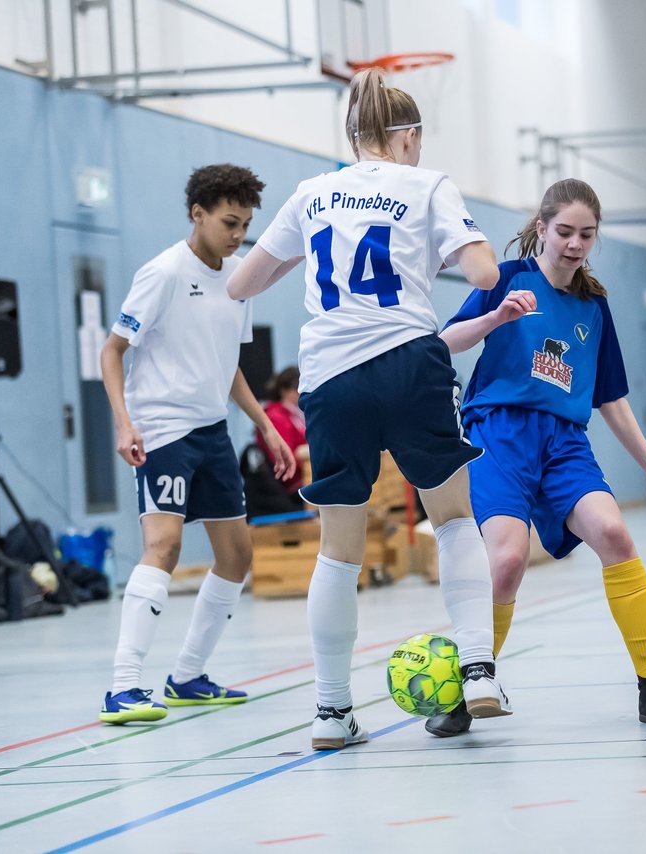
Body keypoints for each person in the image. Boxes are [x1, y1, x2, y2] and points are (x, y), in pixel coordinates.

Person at [227, 70, 511, 751]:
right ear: (408, 136)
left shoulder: (311, 194)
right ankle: (477, 669)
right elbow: (484, 274)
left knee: (339, 550)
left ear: (352, 139)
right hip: (410, 362)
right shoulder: (427, 183)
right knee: (451, 517)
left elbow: (240, 281)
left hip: (330, 378)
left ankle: (330, 712)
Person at [431, 178, 646, 738]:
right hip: (497, 435)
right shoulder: (507, 278)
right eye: (564, 231)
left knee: (614, 535)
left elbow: (610, 395)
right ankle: (470, 687)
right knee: (505, 562)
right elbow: (445, 341)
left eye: (586, 234)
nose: (575, 244)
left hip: (564, 443)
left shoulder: (594, 305)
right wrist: (495, 319)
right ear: (541, 228)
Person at [100, 164, 296, 725]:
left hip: (212, 431)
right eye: (229, 222)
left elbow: (227, 364)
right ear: (198, 214)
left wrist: (265, 423)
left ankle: (187, 675)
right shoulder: (162, 272)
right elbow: (111, 352)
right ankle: (122, 687)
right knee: (163, 547)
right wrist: (123, 423)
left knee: (237, 555)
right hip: (162, 429)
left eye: (245, 225)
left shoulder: (240, 279)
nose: (238, 235)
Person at [258, 366, 308, 496]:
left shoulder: (296, 414)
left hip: (305, 477)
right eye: (297, 389)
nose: (301, 392)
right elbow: (284, 459)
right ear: (283, 391)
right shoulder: (276, 417)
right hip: (293, 483)